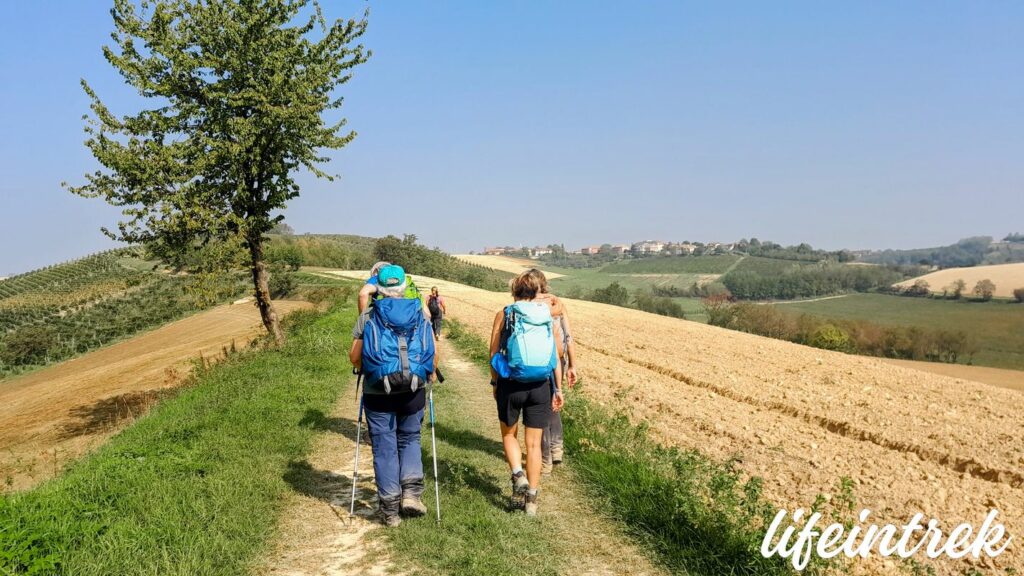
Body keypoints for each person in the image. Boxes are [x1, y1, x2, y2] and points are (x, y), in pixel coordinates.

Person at [349, 264, 437, 526]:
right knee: (409, 438)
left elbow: (355, 357)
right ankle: (411, 494)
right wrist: (427, 375)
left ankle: (389, 511)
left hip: (378, 391)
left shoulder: (369, 315)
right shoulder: (420, 313)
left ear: (380, 287)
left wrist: (366, 366)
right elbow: (433, 354)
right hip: (413, 389)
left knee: (384, 447)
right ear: (404, 285)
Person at [489, 269, 563, 516]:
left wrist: (494, 382)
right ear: (536, 291)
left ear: (514, 291)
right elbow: (556, 355)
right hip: (540, 385)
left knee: (509, 435)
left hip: (511, 383)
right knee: (533, 445)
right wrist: (558, 388)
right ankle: (531, 499)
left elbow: (492, 353)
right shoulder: (546, 316)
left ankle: (517, 474)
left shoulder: (505, 313)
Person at [535, 279, 579, 473]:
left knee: (540, 406)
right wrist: (573, 365)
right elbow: (568, 337)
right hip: (559, 360)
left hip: (539, 361)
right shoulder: (558, 304)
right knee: (555, 400)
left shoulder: (529, 305)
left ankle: (545, 459)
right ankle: (557, 448)